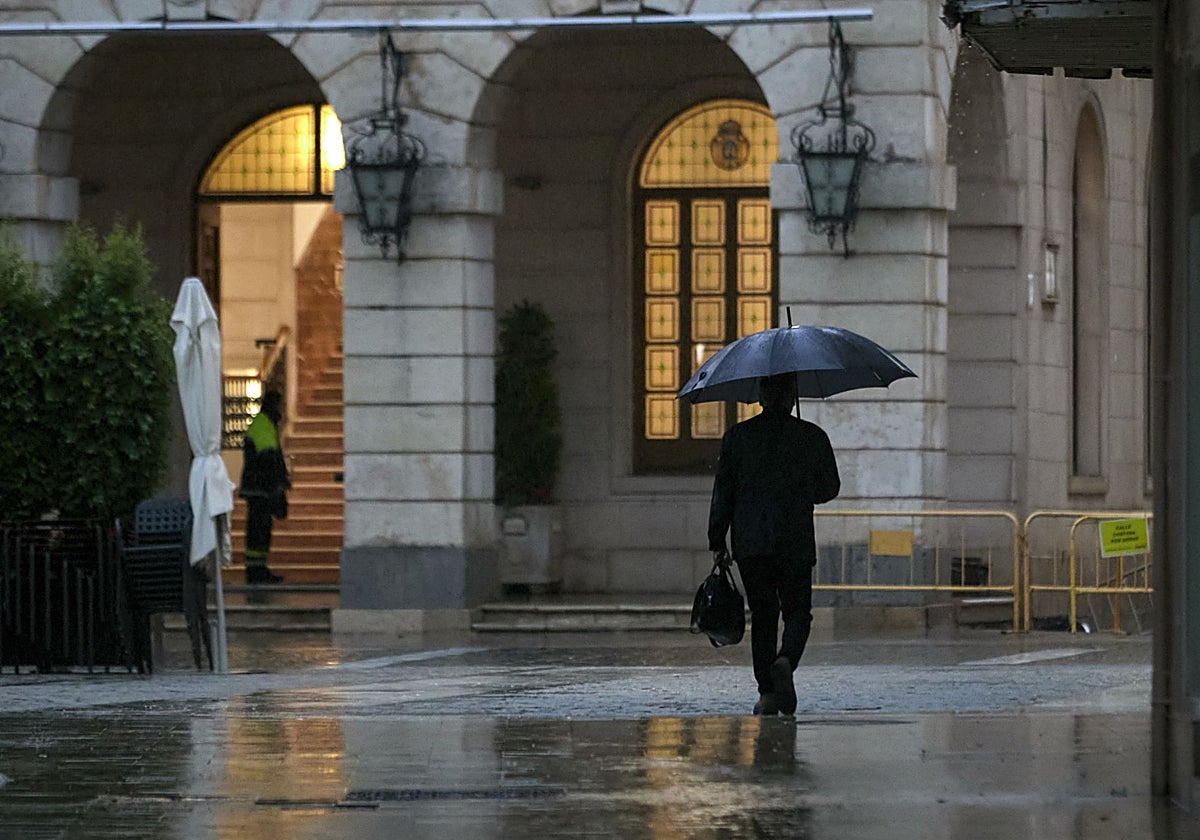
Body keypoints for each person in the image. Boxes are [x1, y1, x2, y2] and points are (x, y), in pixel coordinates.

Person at [707, 372, 840, 715]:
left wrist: (717, 538)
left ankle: (767, 693)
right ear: (793, 398)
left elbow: (723, 492)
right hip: (794, 540)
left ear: (762, 397)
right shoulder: (811, 437)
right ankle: (786, 660)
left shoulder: (737, 438)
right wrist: (800, 491)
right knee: (798, 612)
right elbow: (830, 488)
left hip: (751, 544)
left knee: (764, 617)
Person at [239, 389, 290, 584]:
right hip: (260, 489)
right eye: (279, 405)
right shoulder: (263, 425)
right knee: (259, 530)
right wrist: (279, 484)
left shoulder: (264, 423)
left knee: (260, 529)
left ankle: (258, 569)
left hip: (258, 488)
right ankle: (256, 571)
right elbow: (270, 458)